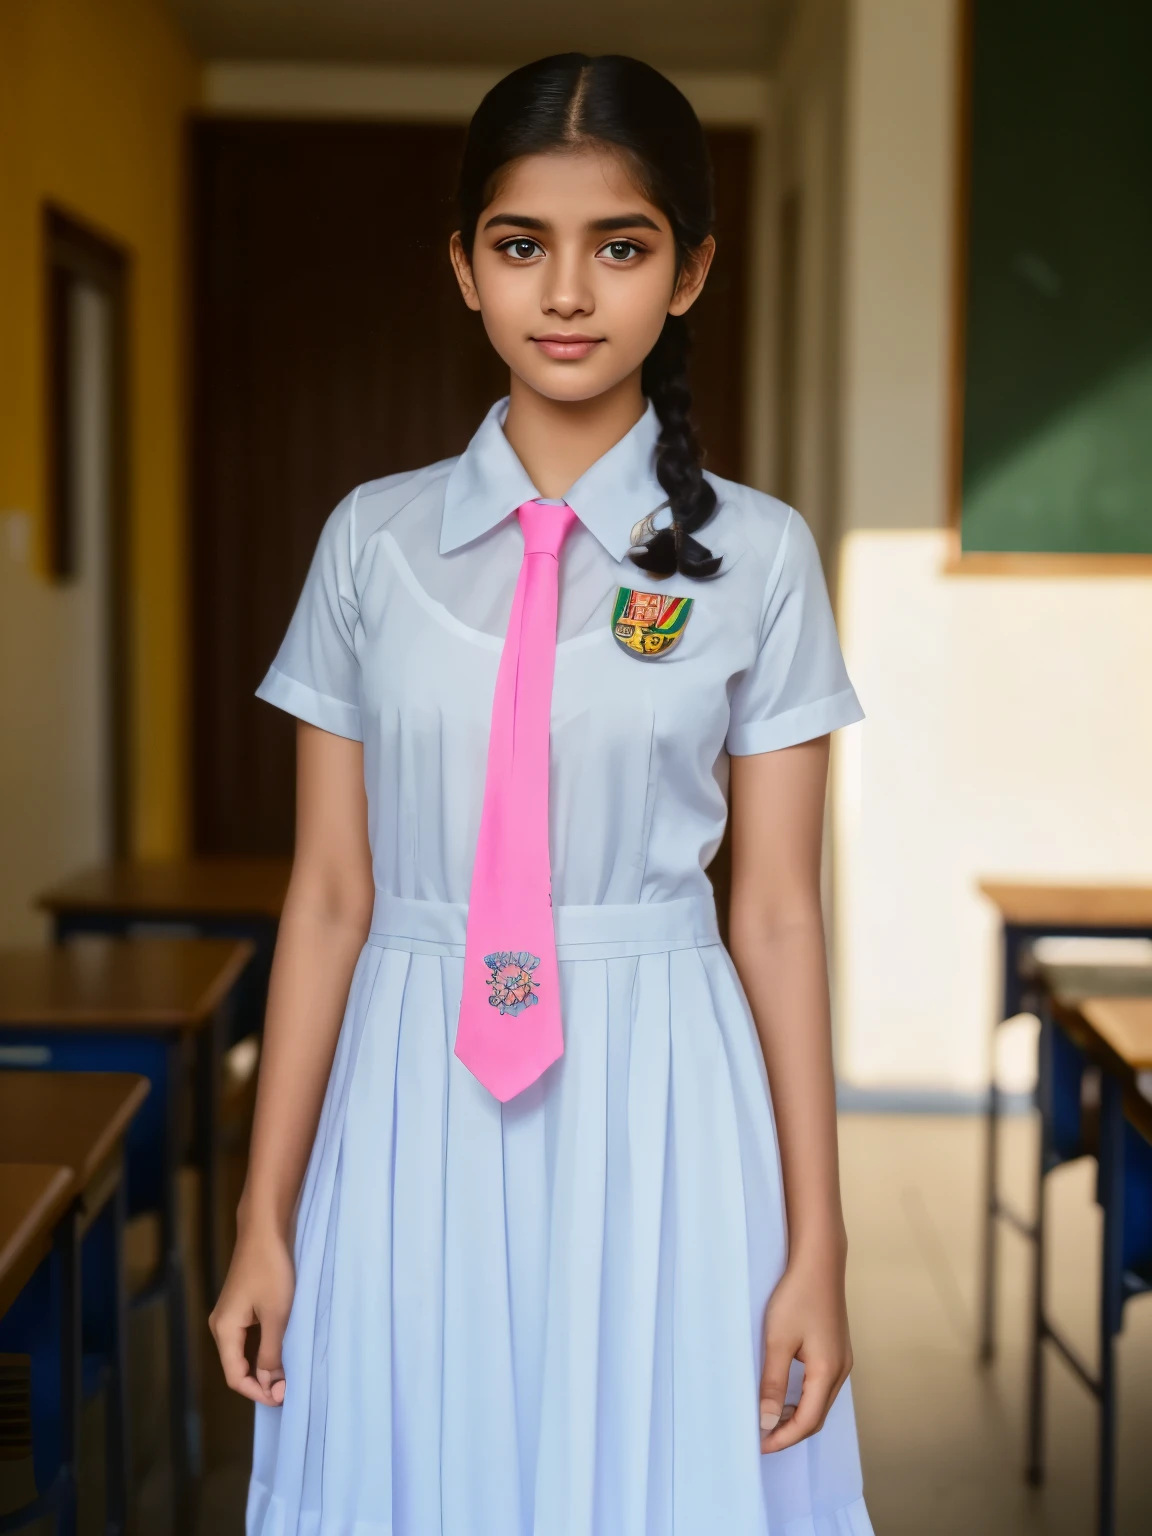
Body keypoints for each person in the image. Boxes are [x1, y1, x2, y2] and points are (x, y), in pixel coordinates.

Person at [210, 52, 873, 1536]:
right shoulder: (370, 544)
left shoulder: (761, 558)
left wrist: (819, 1243)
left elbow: (775, 913)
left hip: (660, 1087)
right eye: (522, 245)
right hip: (412, 1079)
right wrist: (265, 1216)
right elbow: (330, 896)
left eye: (620, 247)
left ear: (690, 273)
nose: (567, 293)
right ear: (464, 268)